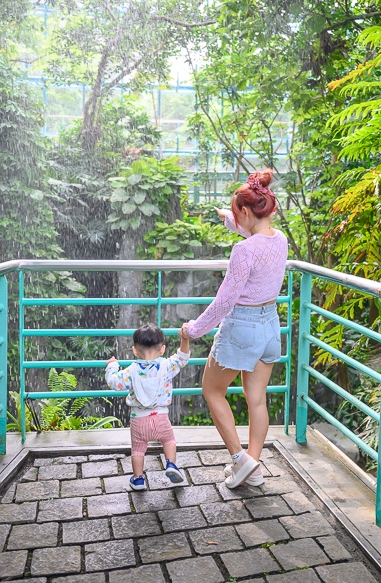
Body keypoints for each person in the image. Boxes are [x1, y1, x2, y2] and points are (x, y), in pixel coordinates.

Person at [181, 170, 288, 488]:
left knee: (212, 390)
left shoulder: (243, 251)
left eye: (236, 212)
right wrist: (228, 217)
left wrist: (193, 329)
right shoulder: (279, 239)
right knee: (257, 400)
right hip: (270, 325)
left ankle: (239, 459)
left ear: (245, 211)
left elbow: (225, 301)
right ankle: (252, 467)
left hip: (242, 328)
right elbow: (253, 234)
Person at [106, 323, 190, 490]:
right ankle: (171, 465)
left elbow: (114, 382)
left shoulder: (131, 371)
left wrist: (112, 366)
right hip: (160, 418)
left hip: (139, 420)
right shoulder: (167, 366)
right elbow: (182, 358)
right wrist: (185, 339)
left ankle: (138, 479)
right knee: (169, 440)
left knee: (137, 450)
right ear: (162, 349)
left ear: (135, 351)